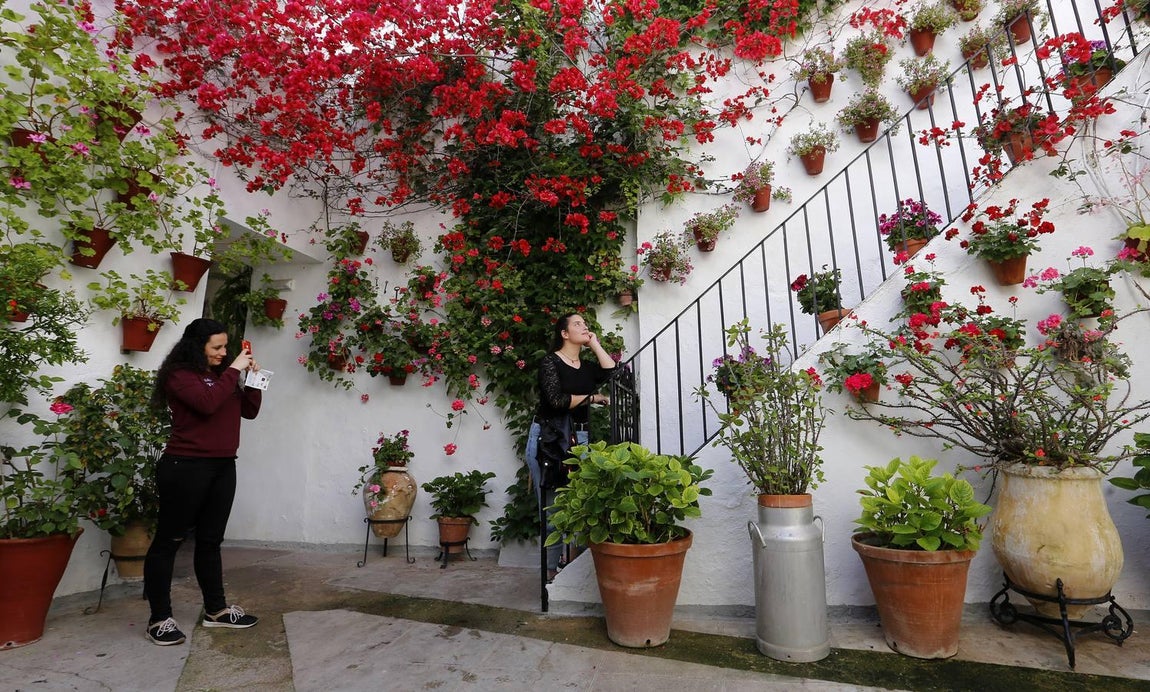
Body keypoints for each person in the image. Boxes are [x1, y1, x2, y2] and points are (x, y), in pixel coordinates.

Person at [142, 318, 263, 646]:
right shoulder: (179, 375)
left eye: (226, 346)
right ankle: (160, 618)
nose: (224, 352)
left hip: (223, 466)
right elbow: (207, 405)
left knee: (210, 541)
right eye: (217, 347)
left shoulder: (220, 375)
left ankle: (217, 610)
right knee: (169, 540)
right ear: (198, 346)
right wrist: (235, 370)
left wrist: (252, 379)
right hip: (185, 467)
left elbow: (249, 411)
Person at [525, 313, 616, 581]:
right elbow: (556, 401)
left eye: (585, 323)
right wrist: (592, 397)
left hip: (581, 439)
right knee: (552, 508)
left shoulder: (586, 367)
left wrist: (595, 344)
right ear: (564, 333)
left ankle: (572, 569)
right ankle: (551, 573)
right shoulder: (550, 362)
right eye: (577, 324)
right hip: (549, 439)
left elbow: (611, 370)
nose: (584, 326)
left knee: (581, 504)